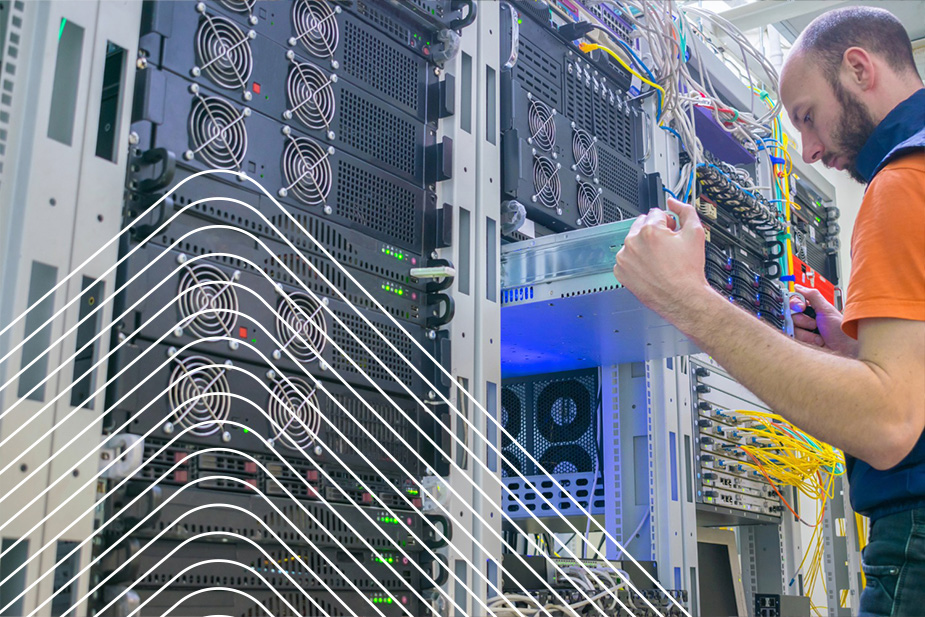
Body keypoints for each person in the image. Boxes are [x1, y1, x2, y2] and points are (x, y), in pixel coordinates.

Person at [613, 6, 924, 616]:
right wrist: (858, 354)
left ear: (859, 69)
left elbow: (890, 425)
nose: (808, 150)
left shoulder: (903, 183)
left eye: (808, 117)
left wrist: (690, 301)